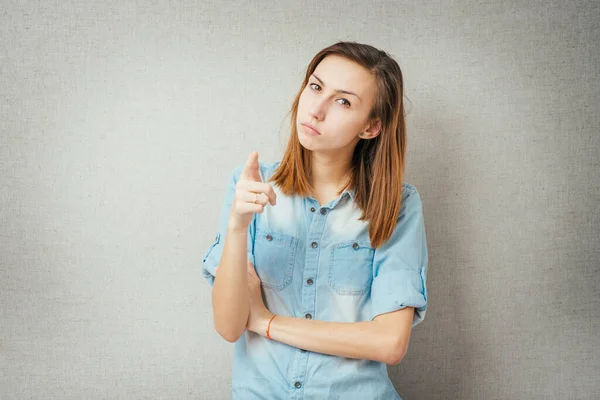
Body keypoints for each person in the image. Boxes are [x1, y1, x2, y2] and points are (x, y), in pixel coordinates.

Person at [201, 41, 429, 400]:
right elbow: (229, 327)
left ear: (370, 127)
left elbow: (390, 342)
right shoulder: (251, 185)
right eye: (316, 86)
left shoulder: (398, 205)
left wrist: (266, 322)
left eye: (343, 101)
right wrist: (237, 226)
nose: (316, 109)